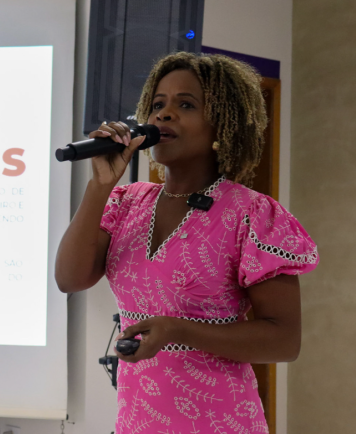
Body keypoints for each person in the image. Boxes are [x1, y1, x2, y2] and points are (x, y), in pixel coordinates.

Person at [55, 52, 319, 433]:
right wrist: (100, 185)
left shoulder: (250, 214)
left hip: (222, 422)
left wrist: (178, 331)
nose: (164, 114)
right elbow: (69, 279)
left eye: (186, 105)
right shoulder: (126, 202)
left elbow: (284, 340)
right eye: (157, 105)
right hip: (137, 422)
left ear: (221, 125)